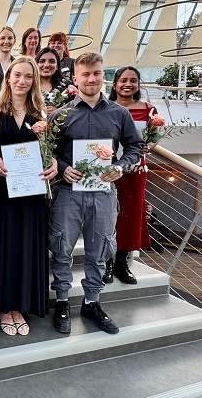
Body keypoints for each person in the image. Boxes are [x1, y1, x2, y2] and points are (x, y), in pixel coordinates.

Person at [48, 52, 144, 335]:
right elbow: (47, 152)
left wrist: (121, 166)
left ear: (104, 76)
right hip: (68, 193)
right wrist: (63, 167)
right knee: (61, 248)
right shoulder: (60, 115)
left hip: (103, 192)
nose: (91, 79)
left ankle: (92, 302)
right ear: (75, 78)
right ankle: (62, 301)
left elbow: (135, 146)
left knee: (99, 250)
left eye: (96, 73)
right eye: (86, 74)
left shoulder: (120, 114)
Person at [0, 56, 57, 336]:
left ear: (33, 80)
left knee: (25, 245)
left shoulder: (40, 112)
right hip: (1, 188)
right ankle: (4, 306)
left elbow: (45, 149)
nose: (22, 81)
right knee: (4, 244)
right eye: (17, 75)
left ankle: (19, 306)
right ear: (8, 77)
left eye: (28, 76)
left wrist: (53, 163)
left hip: (30, 190)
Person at [104, 66, 158, 283]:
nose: (128, 84)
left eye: (133, 80)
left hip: (134, 171)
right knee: (107, 215)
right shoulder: (105, 107)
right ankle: (106, 261)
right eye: (123, 80)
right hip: (108, 168)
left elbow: (153, 139)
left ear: (138, 84)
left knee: (129, 216)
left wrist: (148, 146)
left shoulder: (148, 109)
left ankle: (121, 261)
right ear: (115, 84)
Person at [35, 46, 74, 115]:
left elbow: (75, 111)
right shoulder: (29, 85)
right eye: (42, 61)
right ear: (36, 64)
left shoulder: (67, 86)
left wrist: (59, 112)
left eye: (52, 61)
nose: (46, 65)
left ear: (57, 66)